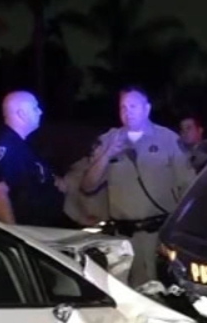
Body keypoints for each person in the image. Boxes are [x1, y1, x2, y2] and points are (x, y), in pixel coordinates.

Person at [79, 86, 197, 284]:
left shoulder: (168, 139)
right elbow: (88, 186)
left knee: (160, 293)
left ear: (147, 108)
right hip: (122, 239)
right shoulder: (107, 140)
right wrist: (108, 154)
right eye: (123, 107)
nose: (127, 112)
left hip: (158, 237)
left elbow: (188, 186)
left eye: (133, 106)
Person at [0, 90, 71, 227]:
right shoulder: (6, 146)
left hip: (43, 227)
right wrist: (14, 234)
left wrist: (54, 180)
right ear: (22, 114)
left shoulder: (24, 147)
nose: (40, 112)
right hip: (29, 231)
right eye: (35, 108)